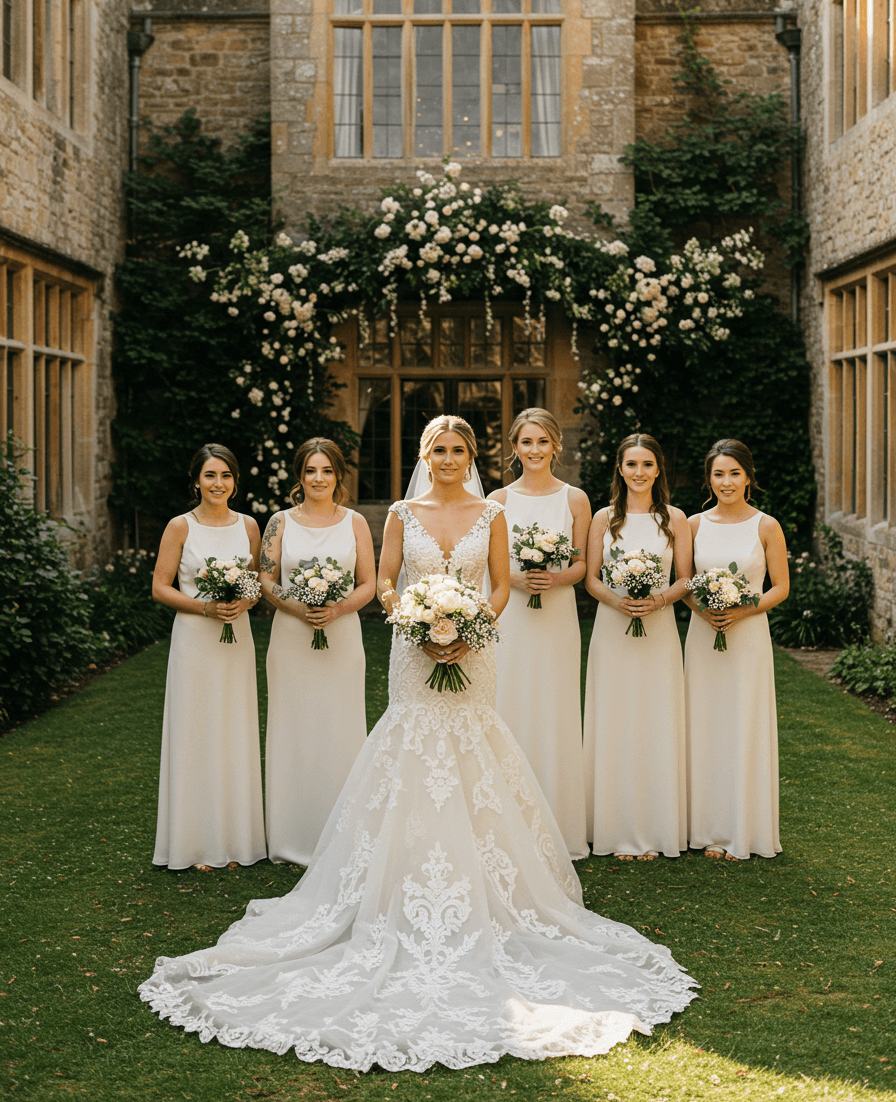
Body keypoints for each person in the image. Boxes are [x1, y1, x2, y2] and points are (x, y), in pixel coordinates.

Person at [138, 416, 696, 1070]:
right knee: (410, 756)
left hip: (475, 653)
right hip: (412, 652)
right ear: (425, 456)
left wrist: (466, 628)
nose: (450, 459)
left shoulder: (493, 513)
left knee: (472, 755)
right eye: (439, 450)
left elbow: (499, 587)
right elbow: (392, 581)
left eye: (459, 450)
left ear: (471, 456)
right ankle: (390, 892)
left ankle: (489, 895)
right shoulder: (401, 512)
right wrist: (420, 623)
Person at [259, 438, 375, 865]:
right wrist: (298, 607)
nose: (319, 479)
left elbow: (369, 582)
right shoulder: (279, 523)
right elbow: (266, 579)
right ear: (300, 477)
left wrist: (337, 608)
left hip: (342, 637)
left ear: (338, 476)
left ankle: (343, 834)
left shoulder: (356, 522)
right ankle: (292, 835)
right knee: (295, 727)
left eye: (327, 471)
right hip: (291, 637)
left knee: (340, 726)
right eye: (311, 471)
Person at [150, 443, 266, 872]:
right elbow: (161, 586)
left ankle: (237, 841)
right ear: (196, 481)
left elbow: (255, 583)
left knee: (233, 729)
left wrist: (245, 603)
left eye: (226, 476)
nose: (218, 484)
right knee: (196, 730)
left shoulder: (250, 526)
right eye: (210, 476)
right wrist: (204, 607)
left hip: (236, 639)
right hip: (195, 638)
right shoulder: (180, 526)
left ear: (235, 482)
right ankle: (195, 844)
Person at [583, 434, 691, 861]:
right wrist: (620, 601)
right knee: (616, 722)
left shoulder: (676, 519)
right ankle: (614, 830)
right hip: (613, 631)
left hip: (659, 633)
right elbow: (591, 578)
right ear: (620, 470)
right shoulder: (603, 519)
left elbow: (685, 578)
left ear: (658, 469)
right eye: (631, 464)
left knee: (655, 721)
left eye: (647, 464)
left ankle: (655, 829)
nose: (639, 472)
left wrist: (658, 600)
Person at [490, 407, 591, 859]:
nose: (535, 450)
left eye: (542, 442)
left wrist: (555, 578)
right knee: (510, 701)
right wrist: (516, 578)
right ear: (514, 448)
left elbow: (584, 564)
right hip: (513, 617)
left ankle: (558, 820)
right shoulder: (498, 500)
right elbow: (489, 566)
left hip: (556, 618)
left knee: (555, 707)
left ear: (556, 446)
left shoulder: (575, 499)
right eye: (526, 442)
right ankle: (505, 820)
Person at [684, 438, 789, 861]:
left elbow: (780, 587)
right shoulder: (693, 524)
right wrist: (703, 608)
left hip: (748, 638)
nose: (726, 482)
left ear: (748, 477)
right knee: (704, 723)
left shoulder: (766, 525)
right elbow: (686, 584)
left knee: (744, 723)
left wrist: (745, 610)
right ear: (709, 479)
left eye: (734, 473)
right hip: (703, 635)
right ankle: (703, 827)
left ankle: (742, 829)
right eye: (718, 474)